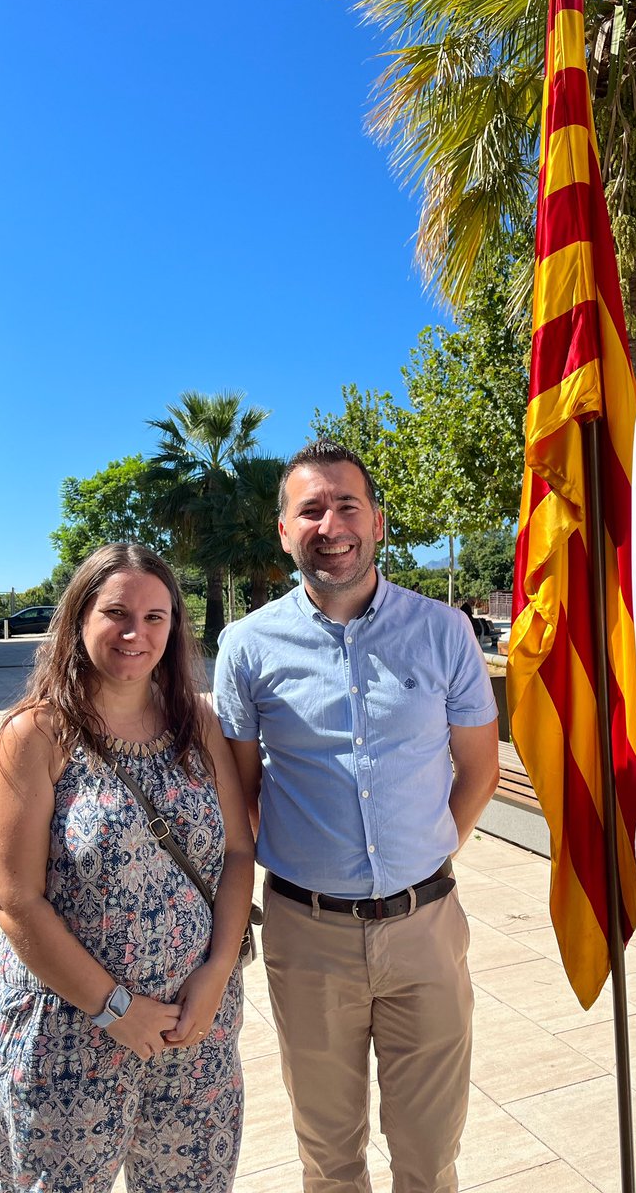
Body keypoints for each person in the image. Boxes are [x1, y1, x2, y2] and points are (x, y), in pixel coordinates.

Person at [214, 439, 500, 1192]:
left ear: (377, 522)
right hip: (308, 936)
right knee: (329, 1157)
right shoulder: (246, 647)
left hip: (426, 929)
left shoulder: (443, 632)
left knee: (430, 1155)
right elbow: (240, 795)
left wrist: (427, 852)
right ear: (285, 531)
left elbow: (479, 770)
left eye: (347, 505)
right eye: (310, 509)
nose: (330, 524)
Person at [0, 543, 255, 1193]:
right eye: (117, 613)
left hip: (195, 1035)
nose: (137, 633)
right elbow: (11, 897)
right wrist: (115, 1008)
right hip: (69, 1043)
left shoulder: (198, 724)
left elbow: (238, 852)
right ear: (79, 618)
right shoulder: (37, 735)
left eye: (156, 617)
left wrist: (216, 971)